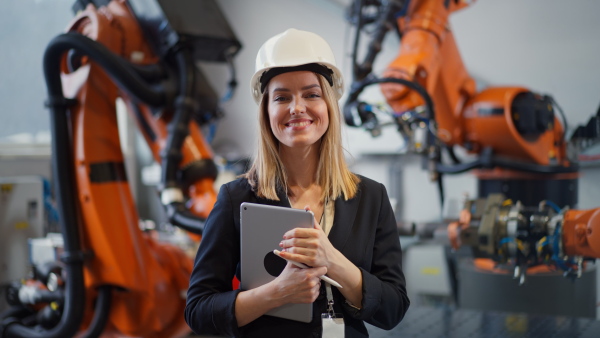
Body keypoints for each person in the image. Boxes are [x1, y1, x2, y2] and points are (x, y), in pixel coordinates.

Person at [185, 28, 409, 337]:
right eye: (282, 97)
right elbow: (198, 310)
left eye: (311, 94)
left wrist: (333, 261)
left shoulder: (371, 196)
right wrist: (278, 293)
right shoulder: (236, 198)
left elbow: (393, 309)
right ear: (266, 111)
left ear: (329, 104)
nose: (297, 107)